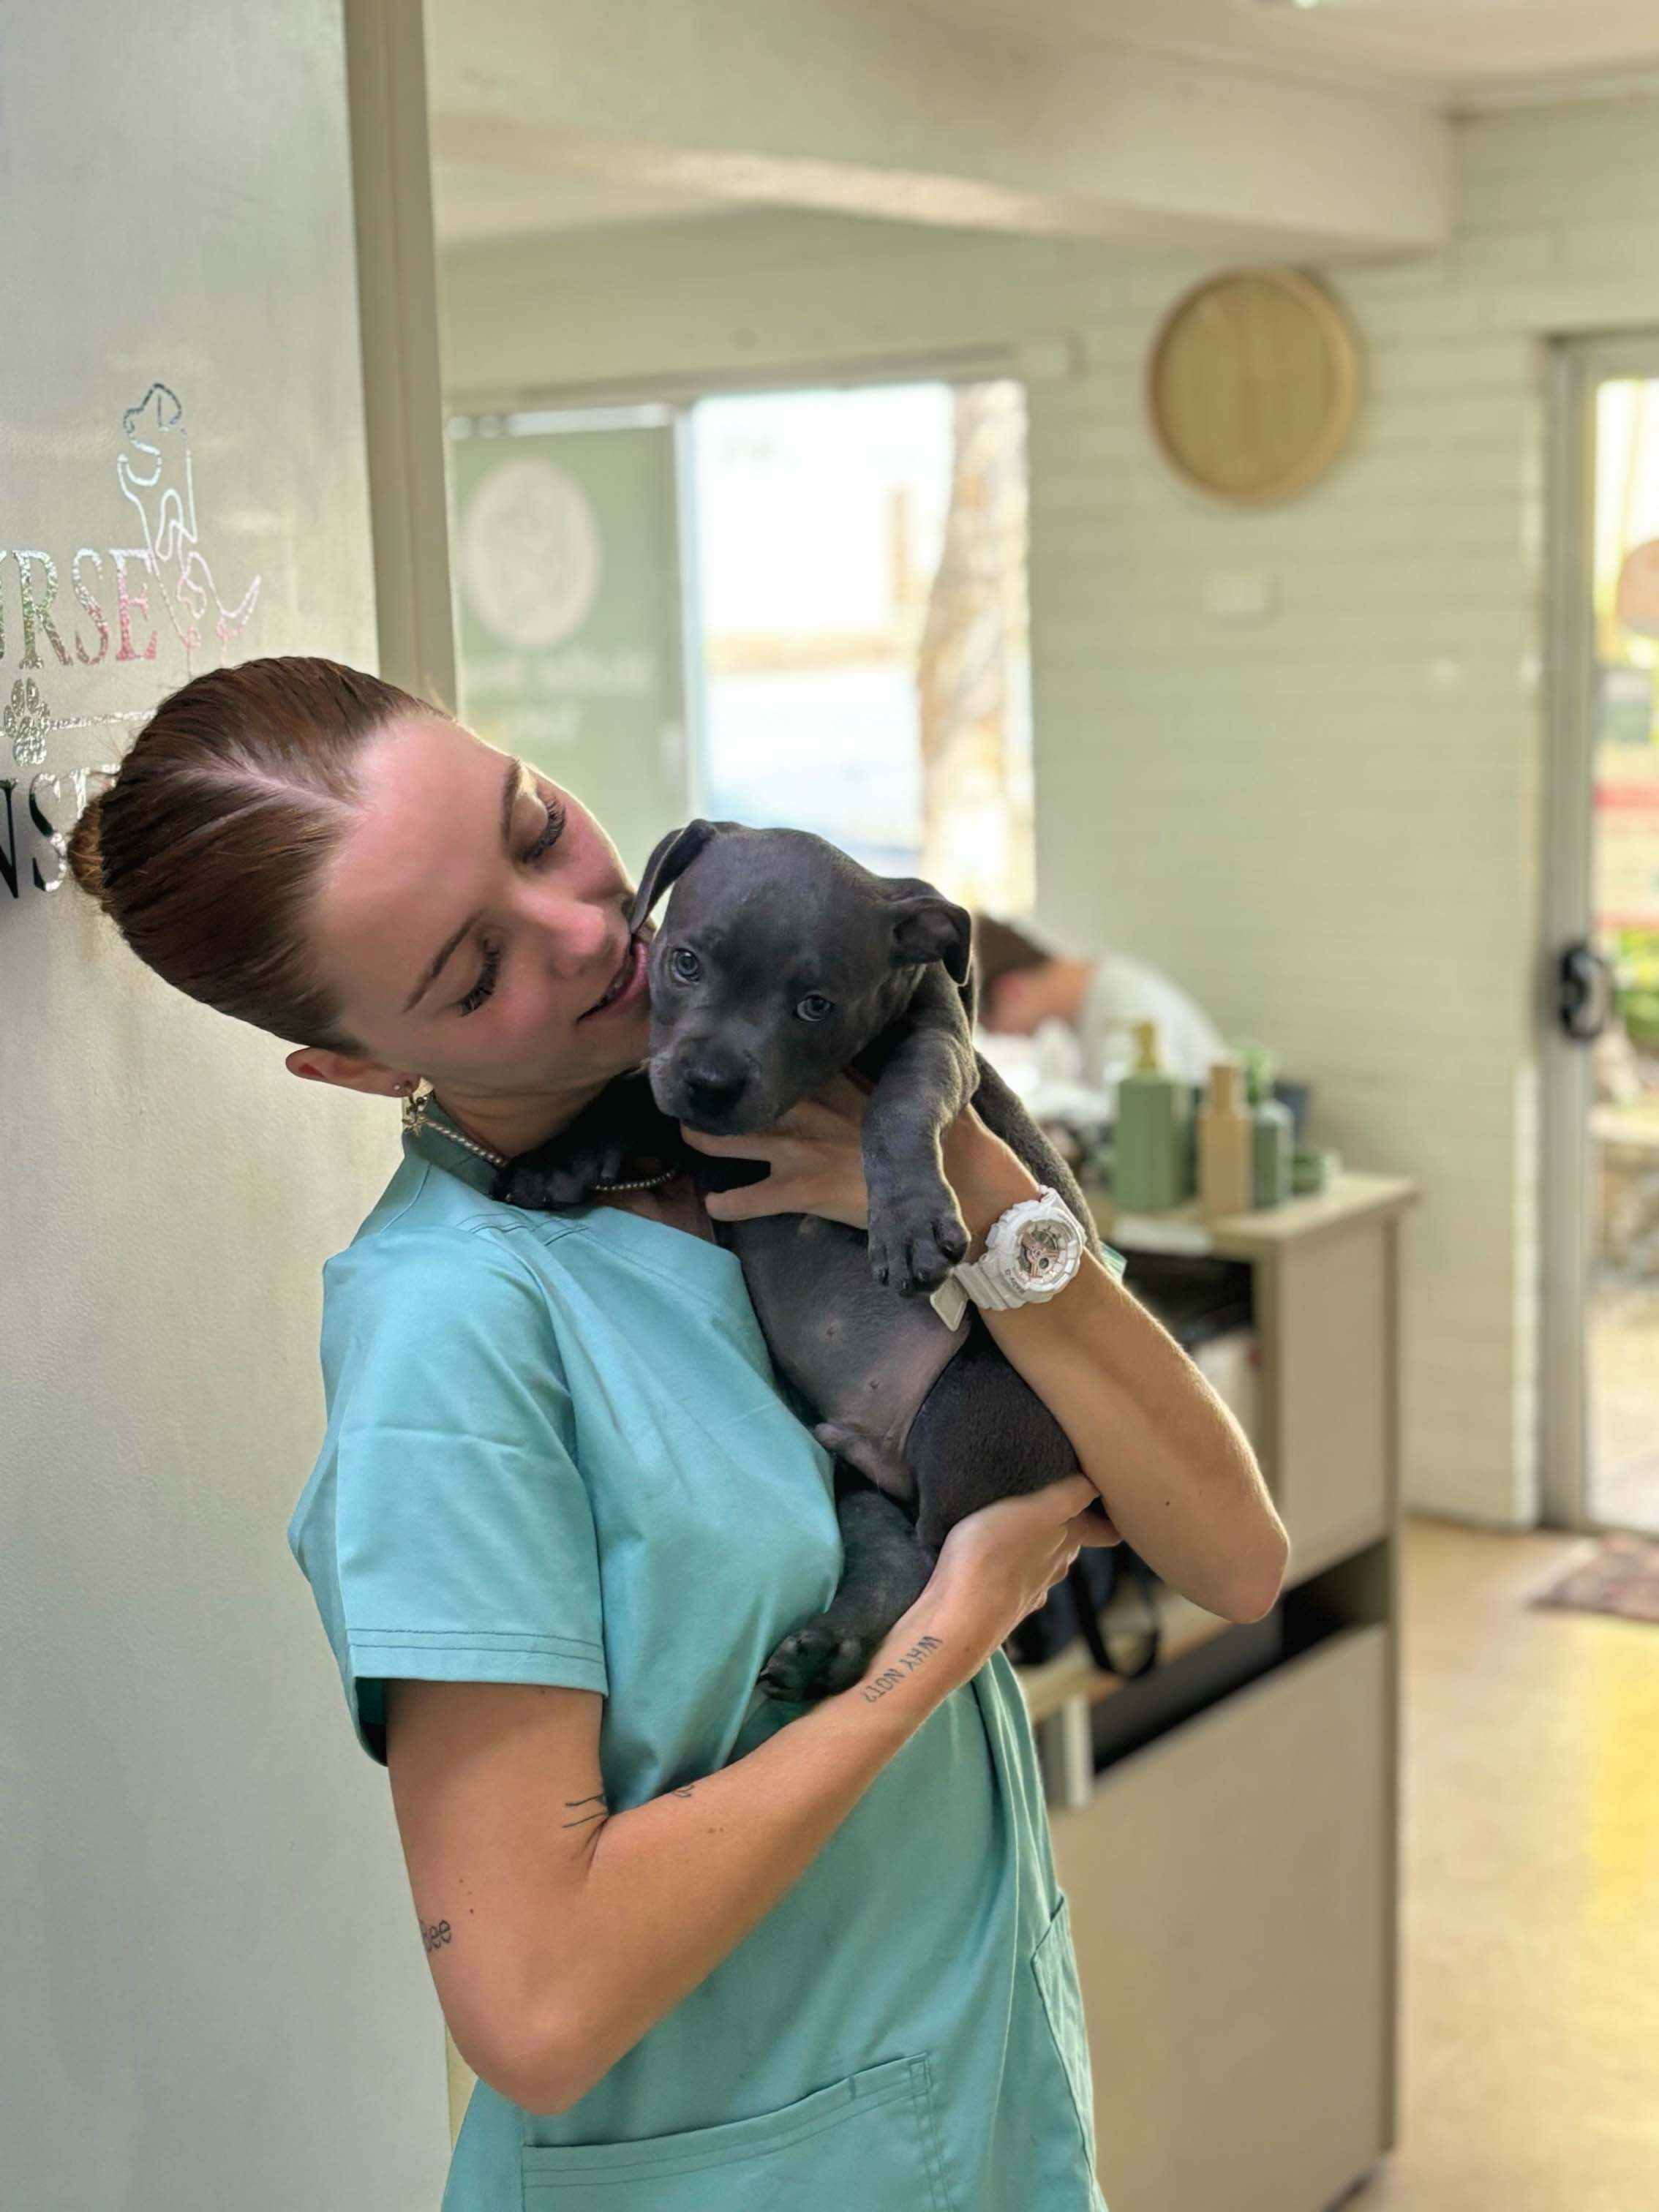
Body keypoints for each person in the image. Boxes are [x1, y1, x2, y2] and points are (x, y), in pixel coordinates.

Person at [67, 656, 1286, 2212]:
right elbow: (535, 2005)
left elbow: (1234, 1556)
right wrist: (953, 1627)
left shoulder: (824, 1108)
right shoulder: (451, 1329)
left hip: (979, 2097)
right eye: (471, 972)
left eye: (536, 828)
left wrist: (964, 1179)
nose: (587, 933)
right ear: (365, 1069)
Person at [973, 914, 1229, 1093]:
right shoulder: (1075, 1019)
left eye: (991, 1026)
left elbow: (1141, 1116)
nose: (1005, 1035)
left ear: (1010, 991)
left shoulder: (1129, 1004)